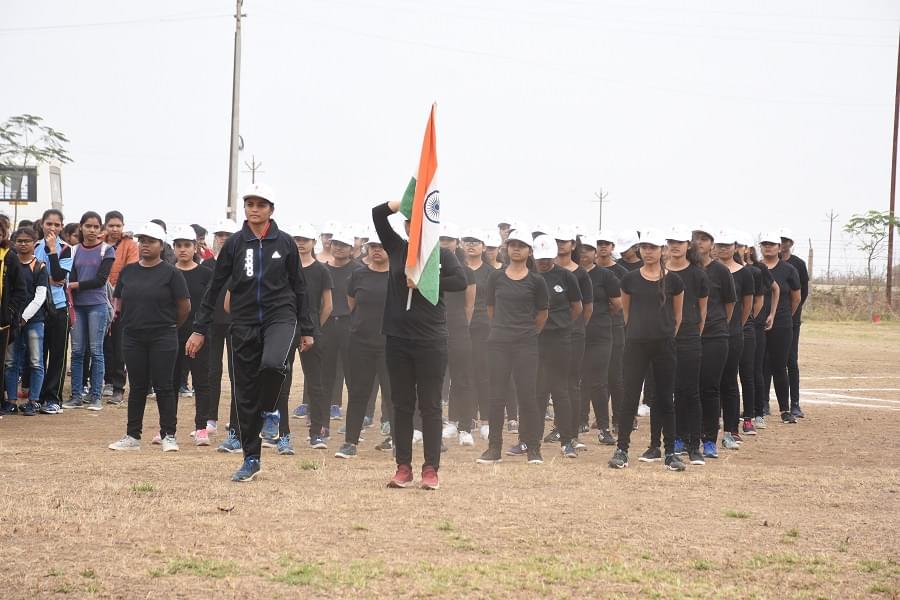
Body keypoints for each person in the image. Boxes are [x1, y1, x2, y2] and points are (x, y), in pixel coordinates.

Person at [186, 183, 315, 482]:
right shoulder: (233, 245)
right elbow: (214, 287)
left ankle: (271, 412)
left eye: (260, 204)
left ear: (271, 209)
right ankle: (251, 458)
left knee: (272, 365)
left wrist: (307, 328)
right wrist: (199, 329)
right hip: (242, 322)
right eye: (250, 204)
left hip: (280, 316)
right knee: (244, 394)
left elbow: (299, 287)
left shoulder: (284, 243)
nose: (254, 209)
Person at [371, 200, 467, 490]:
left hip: (431, 339)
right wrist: (403, 201)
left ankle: (430, 469)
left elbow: (460, 281)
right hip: (398, 337)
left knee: (430, 405)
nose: (415, 226)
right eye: (410, 221)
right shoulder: (397, 247)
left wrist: (425, 279)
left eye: (421, 221)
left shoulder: (442, 254)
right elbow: (377, 215)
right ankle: (403, 467)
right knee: (400, 404)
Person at [108, 222, 190, 452]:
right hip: (133, 336)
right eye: (142, 240)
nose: (145, 245)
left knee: (164, 386)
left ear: (161, 245)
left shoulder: (172, 273)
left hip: (163, 335)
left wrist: (170, 326)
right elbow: (120, 301)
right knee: (137, 386)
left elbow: (184, 306)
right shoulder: (129, 271)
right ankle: (133, 436)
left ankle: (169, 435)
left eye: (150, 241)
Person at [610, 228, 685, 472]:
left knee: (665, 399)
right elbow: (627, 313)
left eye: (653, 247)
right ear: (639, 249)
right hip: (635, 345)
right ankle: (622, 449)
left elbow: (677, 316)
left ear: (661, 249)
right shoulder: (629, 279)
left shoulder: (673, 280)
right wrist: (637, 333)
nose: (648, 251)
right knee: (629, 397)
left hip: (664, 344)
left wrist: (664, 335)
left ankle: (670, 452)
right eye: (644, 247)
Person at [476, 229, 549, 466]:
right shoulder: (496, 277)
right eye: (512, 244)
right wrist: (502, 328)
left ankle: (533, 448)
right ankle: (494, 448)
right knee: (496, 395)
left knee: (528, 396)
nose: (516, 249)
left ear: (530, 251)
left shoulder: (536, 281)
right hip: (498, 343)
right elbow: (490, 308)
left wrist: (525, 332)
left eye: (521, 245)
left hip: (526, 343)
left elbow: (542, 314)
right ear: (506, 248)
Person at [654, 228, 708, 465]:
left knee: (690, 392)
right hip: (659, 339)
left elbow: (703, 311)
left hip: (688, 339)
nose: (675, 246)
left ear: (688, 245)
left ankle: (694, 445)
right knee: (663, 394)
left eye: (679, 242)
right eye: (670, 242)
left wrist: (693, 334)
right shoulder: (657, 273)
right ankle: (663, 443)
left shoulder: (698, 274)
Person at [335, 236, 392, 458]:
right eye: (373, 247)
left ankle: (396, 440)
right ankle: (350, 441)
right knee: (359, 393)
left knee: (392, 394)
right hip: (360, 343)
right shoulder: (359, 274)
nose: (377, 250)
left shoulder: (398, 275)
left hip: (390, 344)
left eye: (381, 246)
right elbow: (351, 303)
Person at [532, 234, 582, 458]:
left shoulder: (565, 276)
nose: (543, 262)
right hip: (535, 340)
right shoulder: (529, 276)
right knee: (537, 391)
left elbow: (577, 307)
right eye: (539, 258)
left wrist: (563, 325)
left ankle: (567, 441)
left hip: (560, 340)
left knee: (560, 390)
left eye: (547, 258)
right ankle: (531, 442)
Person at [63, 211, 115, 411]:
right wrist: (73, 286)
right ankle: (76, 396)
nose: (92, 230)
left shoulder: (106, 250)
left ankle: (95, 397)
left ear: (100, 229)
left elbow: (100, 280)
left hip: (97, 305)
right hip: (77, 306)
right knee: (76, 352)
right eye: (88, 226)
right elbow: (71, 276)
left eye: (96, 227)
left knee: (96, 351)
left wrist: (74, 285)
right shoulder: (74, 250)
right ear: (81, 227)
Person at [287, 223, 333, 451]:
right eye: (297, 238)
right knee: (280, 381)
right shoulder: (286, 267)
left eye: (305, 239)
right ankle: (277, 431)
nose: (301, 243)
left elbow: (328, 306)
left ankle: (318, 430)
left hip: (312, 328)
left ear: (314, 242)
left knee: (316, 382)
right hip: (285, 326)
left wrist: (314, 328)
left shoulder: (322, 270)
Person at [692, 225, 736, 459]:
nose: (699, 242)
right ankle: (686, 437)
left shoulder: (720, 271)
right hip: (688, 337)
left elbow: (730, 304)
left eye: (704, 239)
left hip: (715, 335)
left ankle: (709, 439)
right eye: (695, 238)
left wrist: (717, 324)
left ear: (712, 244)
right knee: (688, 389)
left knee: (710, 388)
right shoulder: (686, 269)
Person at [170, 226, 214, 446]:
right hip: (171, 335)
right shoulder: (168, 272)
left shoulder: (206, 273)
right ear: (173, 248)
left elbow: (209, 305)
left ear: (195, 247)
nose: (183, 249)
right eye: (178, 245)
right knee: (169, 383)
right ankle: (167, 429)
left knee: (201, 383)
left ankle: (201, 428)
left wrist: (202, 331)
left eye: (187, 245)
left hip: (199, 335)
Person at [580, 233, 622, 446]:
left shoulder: (606, 276)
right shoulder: (571, 274)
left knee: (598, 381)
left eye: (589, 248)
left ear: (595, 253)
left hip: (600, 335)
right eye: (582, 248)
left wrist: (598, 319)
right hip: (575, 336)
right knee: (576, 381)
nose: (584, 252)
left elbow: (617, 304)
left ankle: (604, 428)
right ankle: (575, 424)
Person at [438, 223, 477, 446]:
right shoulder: (428, 269)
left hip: (458, 329)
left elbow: (469, 306)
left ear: (456, 242)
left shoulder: (467, 272)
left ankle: (465, 427)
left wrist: (460, 326)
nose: (445, 242)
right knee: (435, 380)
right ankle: (443, 424)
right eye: (441, 238)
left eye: (449, 239)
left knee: (462, 379)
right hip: (433, 329)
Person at [715, 230, 755, 450]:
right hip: (710, 333)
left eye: (727, 244)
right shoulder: (708, 271)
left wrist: (736, 325)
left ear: (735, 246)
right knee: (708, 384)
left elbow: (747, 304)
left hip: (732, 333)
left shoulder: (744, 273)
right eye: (719, 244)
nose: (722, 248)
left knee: (729, 382)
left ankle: (731, 429)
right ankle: (708, 428)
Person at [553, 227, 592, 446]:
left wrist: (574, 327)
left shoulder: (580, 273)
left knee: (571, 384)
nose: (561, 244)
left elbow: (587, 308)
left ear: (573, 245)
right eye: (557, 240)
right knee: (551, 384)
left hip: (574, 335)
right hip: (549, 336)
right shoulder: (547, 269)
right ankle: (558, 428)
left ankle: (572, 432)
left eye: (565, 241)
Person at [4, 228, 48, 416]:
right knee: (11, 362)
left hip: (34, 320)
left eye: (27, 241)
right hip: (12, 320)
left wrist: (23, 318)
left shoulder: (40, 266)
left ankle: (34, 401)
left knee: (36, 362)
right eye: (19, 240)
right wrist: (14, 318)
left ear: (34, 242)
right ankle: (12, 401)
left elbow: (40, 297)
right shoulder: (9, 264)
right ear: (14, 242)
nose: (23, 244)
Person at [758, 231, 801, 424]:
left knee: (779, 365)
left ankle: (785, 409)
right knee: (758, 366)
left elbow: (796, 298)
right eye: (765, 244)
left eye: (772, 244)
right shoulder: (755, 268)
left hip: (782, 322)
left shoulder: (789, 269)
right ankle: (760, 406)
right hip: (757, 322)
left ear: (779, 247)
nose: (768, 247)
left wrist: (782, 318)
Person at [33, 209, 72, 415]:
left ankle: (53, 398)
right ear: (42, 224)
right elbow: (28, 278)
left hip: (58, 306)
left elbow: (59, 276)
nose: (53, 228)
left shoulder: (66, 249)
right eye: (49, 224)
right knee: (38, 354)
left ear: (62, 226)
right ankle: (37, 397)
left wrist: (52, 250)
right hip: (36, 308)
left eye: (57, 225)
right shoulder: (33, 246)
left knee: (58, 354)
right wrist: (47, 280)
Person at [102, 211, 138, 405]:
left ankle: (118, 386)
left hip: (121, 300)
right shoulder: (100, 242)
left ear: (123, 226)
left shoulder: (130, 245)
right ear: (105, 226)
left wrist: (115, 291)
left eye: (118, 226)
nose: (115, 229)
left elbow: (131, 269)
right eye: (111, 225)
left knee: (118, 343)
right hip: (99, 297)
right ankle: (105, 381)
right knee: (103, 344)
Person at [595, 231, 628, 438]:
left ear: (613, 247)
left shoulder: (621, 272)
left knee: (615, 375)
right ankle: (594, 420)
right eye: (599, 243)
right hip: (594, 329)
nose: (603, 247)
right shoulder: (590, 271)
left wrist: (609, 312)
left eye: (606, 243)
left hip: (615, 326)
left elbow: (623, 300)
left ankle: (619, 418)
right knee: (595, 377)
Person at [461, 230, 493, 441]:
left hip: (483, 326)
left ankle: (486, 421)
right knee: (464, 375)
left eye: (476, 242)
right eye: (467, 241)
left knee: (483, 374)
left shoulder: (491, 272)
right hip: (461, 327)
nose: (471, 245)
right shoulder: (458, 270)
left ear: (483, 246)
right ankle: (465, 421)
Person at [321, 229, 355, 420]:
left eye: (343, 245)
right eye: (336, 244)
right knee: (325, 373)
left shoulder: (358, 270)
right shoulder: (323, 269)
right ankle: (321, 418)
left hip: (349, 326)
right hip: (327, 325)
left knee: (352, 374)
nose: (339, 248)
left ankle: (353, 418)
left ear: (351, 248)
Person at [779, 229, 809, 419]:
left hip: (790, 321)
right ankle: (762, 405)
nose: (782, 243)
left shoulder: (797, 264)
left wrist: (790, 314)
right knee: (765, 362)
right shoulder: (764, 265)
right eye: (779, 240)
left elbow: (802, 293)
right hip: (768, 320)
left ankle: (795, 404)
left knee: (790, 360)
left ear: (791, 243)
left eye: (785, 240)